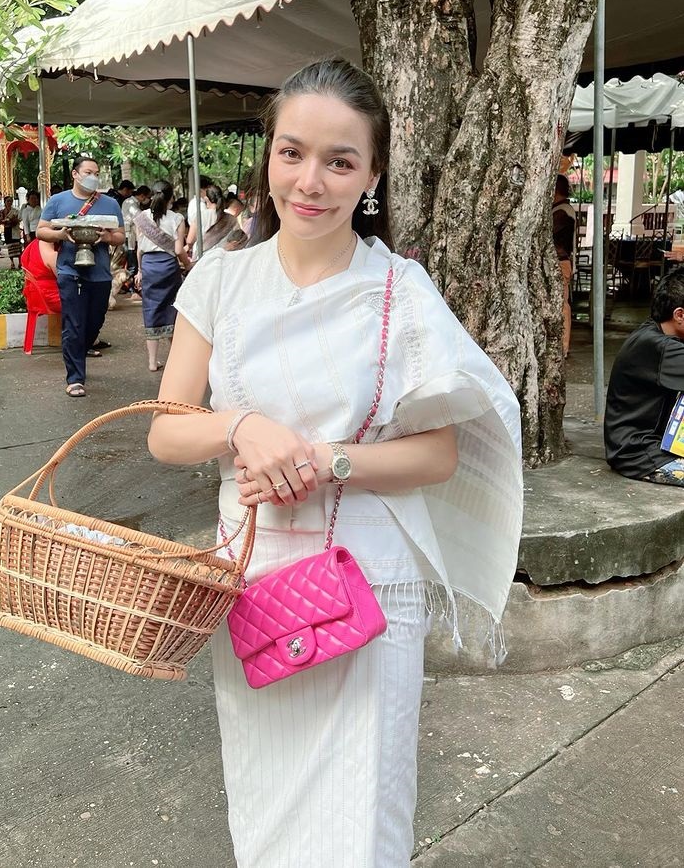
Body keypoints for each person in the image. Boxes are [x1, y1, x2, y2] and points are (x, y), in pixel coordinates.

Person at [147, 59, 522, 868]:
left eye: (340, 161)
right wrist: (240, 425)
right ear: (270, 155)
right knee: (267, 813)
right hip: (252, 578)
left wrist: (325, 461)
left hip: (368, 586)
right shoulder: (220, 281)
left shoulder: (401, 292)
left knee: (363, 821)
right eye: (292, 152)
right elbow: (167, 434)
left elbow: (439, 453)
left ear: (372, 175)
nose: (309, 181)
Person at [36, 155, 125, 398]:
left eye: (96, 173)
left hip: (100, 273)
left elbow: (120, 235)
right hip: (70, 271)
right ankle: (75, 378)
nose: (93, 177)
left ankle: (80, 351)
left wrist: (107, 238)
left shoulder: (110, 204)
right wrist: (61, 235)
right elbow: (41, 231)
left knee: (94, 322)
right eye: (88, 172)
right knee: (73, 325)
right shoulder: (58, 201)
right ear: (75, 174)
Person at [605, 268, 684, 486]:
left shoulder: (653, 331)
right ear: (679, 315)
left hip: (652, 445)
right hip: (641, 453)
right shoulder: (661, 348)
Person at [134, 179, 190, 372]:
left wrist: (140, 270)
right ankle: (175, 359)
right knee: (171, 309)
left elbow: (139, 250)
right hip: (168, 268)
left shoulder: (141, 218)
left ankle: (152, 362)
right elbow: (178, 250)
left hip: (149, 266)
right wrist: (188, 264)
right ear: (171, 198)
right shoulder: (177, 219)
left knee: (151, 309)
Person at [552, 174, 576, 358]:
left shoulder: (562, 212)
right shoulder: (561, 210)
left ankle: (563, 346)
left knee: (561, 303)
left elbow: (553, 236)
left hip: (561, 261)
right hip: (559, 261)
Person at [185, 174, 217, 251]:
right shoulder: (198, 205)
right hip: (202, 244)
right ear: (200, 190)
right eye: (208, 189)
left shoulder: (201, 204)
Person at [201, 185, 238, 251]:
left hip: (205, 254)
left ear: (206, 199)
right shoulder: (231, 218)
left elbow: (190, 240)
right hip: (225, 253)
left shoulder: (201, 216)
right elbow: (238, 237)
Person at [0, 195, 22, 268]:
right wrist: (8, 220)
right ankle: (12, 262)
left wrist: (13, 220)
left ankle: (20, 262)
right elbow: (1, 221)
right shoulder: (2, 211)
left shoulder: (16, 211)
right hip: (7, 230)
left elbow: (19, 219)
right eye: (8, 201)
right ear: (5, 202)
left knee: (17, 246)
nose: (9, 202)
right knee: (10, 247)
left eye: (11, 201)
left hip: (15, 230)